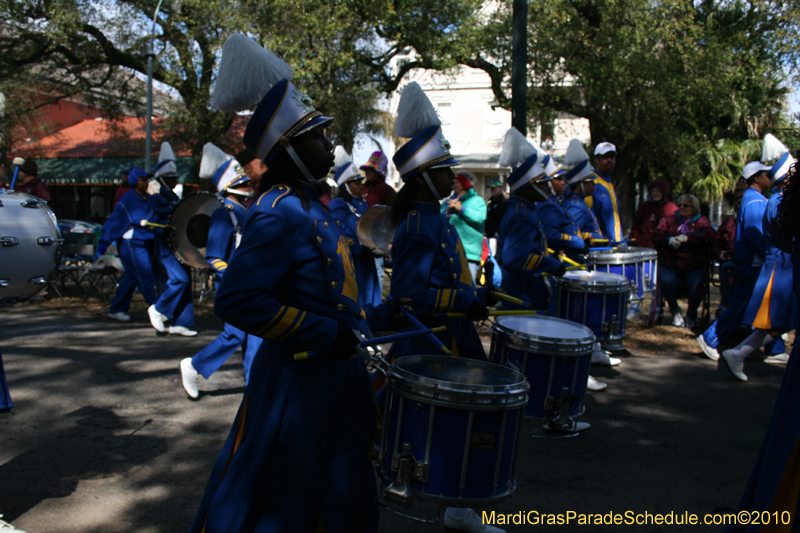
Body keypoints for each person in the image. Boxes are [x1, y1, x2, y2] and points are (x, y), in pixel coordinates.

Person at [190, 34, 392, 532]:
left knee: (335, 489)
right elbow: (237, 299)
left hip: (334, 375)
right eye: (320, 137)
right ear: (293, 150)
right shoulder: (277, 213)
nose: (330, 143)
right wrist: (325, 335)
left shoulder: (311, 208)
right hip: (297, 384)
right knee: (280, 496)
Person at [384, 80, 502, 533]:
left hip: (452, 334)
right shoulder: (418, 222)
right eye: (443, 169)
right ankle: (452, 504)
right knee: (445, 427)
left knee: (462, 424)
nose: (452, 176)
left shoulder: (432, 216)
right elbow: (409, 298)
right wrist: (465, 302)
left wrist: (475, 298)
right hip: (434, 340)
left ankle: (458, 504)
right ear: (422, 176)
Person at [727, 154, 800, 531]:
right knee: (767, 319)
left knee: (772, 321)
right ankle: (733, 351)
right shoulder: (764, 201)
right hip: (777, 265)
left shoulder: (770, 199)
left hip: (780, 264)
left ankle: (738, 351)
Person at [179, 144, 263, 399]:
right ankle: (194, 366)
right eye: (242, 182)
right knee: (235, 334)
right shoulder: (223, 214)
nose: (248, 186)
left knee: (255, 337)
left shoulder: (244, 211)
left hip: (250, 285)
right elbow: (214, 257)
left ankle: (254, 387)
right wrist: (235, 279)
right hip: (234, 286)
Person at [719, 135, 797, 381]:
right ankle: (738, 353)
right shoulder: (778, 202)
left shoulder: (779, 199)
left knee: (781, 321)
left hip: (784, 265)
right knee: (776, 321)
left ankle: (739, 353)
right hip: (781, 268)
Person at [697, 160, 772, 361]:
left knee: (761, 306)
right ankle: (710, 338)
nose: (770, 177)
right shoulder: (756, 201)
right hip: (754, 262)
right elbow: (755, 234)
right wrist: (769, 253)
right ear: (756, 178)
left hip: (751, 261)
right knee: (741, 306)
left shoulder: (752, 198)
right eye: (767, 174)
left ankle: (776, 349)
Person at [497, 127, 564, 313]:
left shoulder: (526, 210)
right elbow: (515, 258)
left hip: (527, 287)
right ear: (527, 188)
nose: (547, 187)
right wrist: (551, 264)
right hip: (523, 291)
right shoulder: (522, 214)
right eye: (541, 183)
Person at [145, 142, 197, 337]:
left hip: (181, 246)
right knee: (179, 279)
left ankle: (181, 322)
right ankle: (158, 310)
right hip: (165, 246)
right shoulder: (155, 200)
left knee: (186, 280)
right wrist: (162, 229)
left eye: (175, 177)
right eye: (170, 177)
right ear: (161, 179)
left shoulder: (175, 200)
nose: (174, 180)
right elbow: (149, 224)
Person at [97, 168, 159, 322]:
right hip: (131, 243)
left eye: (147, 179)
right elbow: (114, 222)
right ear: (133, 181)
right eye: (142, 179)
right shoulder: (127, 200)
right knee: (144, 275)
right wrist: (102, 244)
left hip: (146, 242)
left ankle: (117, 309)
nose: (146, 182)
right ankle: (160, 311)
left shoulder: (148, 199)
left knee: (132, 276)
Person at [651, 194, 715, 329]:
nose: (681, 208)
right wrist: (669, 240)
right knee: (667, 281)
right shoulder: (669, 220)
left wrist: (689, 238)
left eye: (686, 205)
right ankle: (675, 311)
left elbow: (710, 235)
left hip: (694, 263)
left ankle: (692, 315)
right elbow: (656, 234)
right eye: (679, 205)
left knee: (697, 285)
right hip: (671, 262)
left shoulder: (701, 221)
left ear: (694, 207)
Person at [327, 150, 382, 308]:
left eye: (361, 182)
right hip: (351, 260)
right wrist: (358, 249)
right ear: (345, 185)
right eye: (356, 183)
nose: (361, 186)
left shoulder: (361, 204)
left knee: (371, 299)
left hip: (366, 257)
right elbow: (338, 235)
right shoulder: (337, 205)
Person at [441, 171, 487, 284]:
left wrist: (461, 209)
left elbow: (479, 219)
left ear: (464, 184)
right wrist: (446, 211)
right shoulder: (447, 202)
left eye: (456, 182)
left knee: (468, 287)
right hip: (448, 252)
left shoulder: (478, 201)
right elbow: (438, 220)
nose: (453, 184)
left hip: (469, 253)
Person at [561, 139, 604, 243]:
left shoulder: (576, 202)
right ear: (580, 184)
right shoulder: (576, 206)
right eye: (590, 181)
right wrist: (593, 236)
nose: (594, 184)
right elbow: (570, 234)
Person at [629, 179, 678, 249]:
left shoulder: (672, 208)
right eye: (653, 191)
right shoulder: (645, 207)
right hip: (643, 248)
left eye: (658, 191)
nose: (655, 193)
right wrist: (634, 242)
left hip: (663, 250)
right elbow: (635, 227)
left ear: (664, 192)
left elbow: (675, 230)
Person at [591, 142, 623, 243]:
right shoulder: (593, 184)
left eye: (612, 157)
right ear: (596, 159)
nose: (609, 160)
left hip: (614, 244)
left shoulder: (608, 182)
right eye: (605, 157)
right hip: (603, 245)